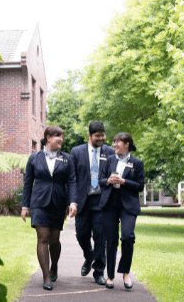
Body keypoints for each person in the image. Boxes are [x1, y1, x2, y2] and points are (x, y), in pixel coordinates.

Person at [21, 126, 78, 290]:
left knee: (54, 241)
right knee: (42, 238)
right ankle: (46, 276)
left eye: (62, 136)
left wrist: (72, 202)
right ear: (47, 138)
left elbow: (72, 181)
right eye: (57, 136)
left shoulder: (66, 159)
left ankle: (54, 266)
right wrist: (25, 206)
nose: (61, 139)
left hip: (58, 203)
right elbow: (28, 183)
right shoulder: (34, 158)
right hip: (39, 202)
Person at [70, 121, 115, 285]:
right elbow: (72, 180)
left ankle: (99, 272)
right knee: (81, 234)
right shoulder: (76, 152)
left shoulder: (110, 152)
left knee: (100, 237)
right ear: (89, 136)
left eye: (103, 135)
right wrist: (73, 201)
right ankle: (89, 257)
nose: (101, 138)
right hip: (83, 200)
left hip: (102, 201)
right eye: (97, 136)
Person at [99, 132, 144, 289]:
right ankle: (110, 276)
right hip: (110, 203)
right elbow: (101, 180)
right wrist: (108, 180)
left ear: (127, 144)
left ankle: (125, 273)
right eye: (114, 142)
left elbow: (140, 185)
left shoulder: (137, 163)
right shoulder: (109, 159)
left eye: (118, 142)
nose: (114, 145)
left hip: (128, 205)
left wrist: (124, 181)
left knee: (127, 237)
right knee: (110, 240)